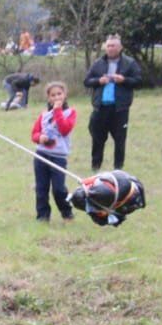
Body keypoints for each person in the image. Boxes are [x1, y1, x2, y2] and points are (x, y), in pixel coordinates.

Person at [83, 35, 142, 172]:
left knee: (120, 140)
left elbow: (138, 81)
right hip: (100, 107)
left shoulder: (129, 63)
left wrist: (124, 80)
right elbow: (86, 81)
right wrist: (98, 81)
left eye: (113, 45)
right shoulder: (98, 63)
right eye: (108, 45)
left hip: (119, 109)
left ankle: (118, 170)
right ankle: (95, 168)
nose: (110, 48)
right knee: (97, 139)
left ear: (120, 47)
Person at [29, 82, 77, 221]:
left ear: (65, 95)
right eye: (53, 95)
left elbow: (64, 129)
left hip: (58, 157)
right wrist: (39, 137)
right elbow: (34, 134)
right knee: (41, 188)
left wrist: (57, 111)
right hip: (41, 156)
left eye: (59, 94)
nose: (56, 97)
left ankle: (67, 212)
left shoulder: (70, 113)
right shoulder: (44, 115)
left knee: (59, 189)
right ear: (48, 97)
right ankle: (43, 216)